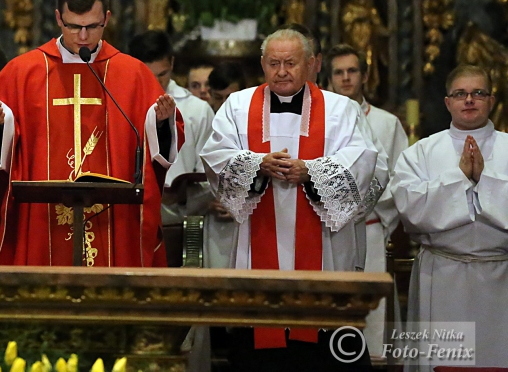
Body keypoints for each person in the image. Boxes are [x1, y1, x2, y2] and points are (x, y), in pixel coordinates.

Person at [200, 29, 382, 370]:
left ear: (312, 64)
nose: (281, 71)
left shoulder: (342, 109)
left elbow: (364, 162)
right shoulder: (237, 106)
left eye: (290, 63)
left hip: (325, 254)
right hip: (256, 249)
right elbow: (215, 157)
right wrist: (257, 164)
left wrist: (310, 172)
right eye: (274, 63)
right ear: (262, 65)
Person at [0, 0, 183, 267]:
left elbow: (159, 150)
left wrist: (161, 123)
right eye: (74, 26)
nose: (83, 36)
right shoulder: (22, 73)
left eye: (92, 26)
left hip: (113, 217)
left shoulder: (132, 74)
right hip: (42, 219)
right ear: (58, 18)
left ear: (107, 19)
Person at [390, 65, 508, 370]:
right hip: (441, 277)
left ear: (491, 100)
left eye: (478, 93)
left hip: (501, 275)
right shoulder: (421, 153)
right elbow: (411, 209)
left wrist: (486, 179)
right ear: (447, 102)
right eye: (460, 94)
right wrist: (459, 180)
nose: (469, 100)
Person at [326, 43, 408, 358]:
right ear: (328, 78)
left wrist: (375, 218)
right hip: (326, 231)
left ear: (364, 75)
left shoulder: (387, 123)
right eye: (339, 72)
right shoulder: (319, 122)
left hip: (369, 228)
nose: (346, 78)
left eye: (352, 71)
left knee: (370, 321)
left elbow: (400, 178)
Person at [127, 30, 214, 224]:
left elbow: (208, 174)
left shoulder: (198, 110)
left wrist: (182, 196)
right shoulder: (120, 105)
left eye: (163, 74)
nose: (156, 82)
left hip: (181, 219)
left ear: (172, 63)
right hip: (131, 216)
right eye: (148, 75)